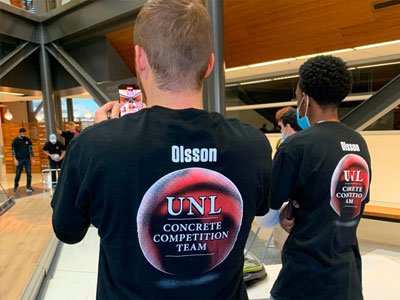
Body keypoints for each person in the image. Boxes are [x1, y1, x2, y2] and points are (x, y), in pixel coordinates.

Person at [51, 1, 272, 299]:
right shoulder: (253, 146)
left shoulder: (93, 147)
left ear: (139, 59)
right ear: (209, 64)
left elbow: (68, 230)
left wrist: (104, 136)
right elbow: (260, 210)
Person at [265, 55, 371, 300]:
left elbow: (270, 210)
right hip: (346, 280)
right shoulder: (359, 143)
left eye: (297, 93)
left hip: (304, 280)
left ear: (305, 97)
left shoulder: (296, 146)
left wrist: (283, 212)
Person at [11, 127, 35, 192]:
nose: (24, 134)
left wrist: (32, 159)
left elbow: (31, 150)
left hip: (27, 159)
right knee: (18, 173)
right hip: (19, 160)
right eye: (22, 133)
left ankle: (29, 186)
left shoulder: (27, 140)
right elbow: (13, 151)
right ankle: (16, 185)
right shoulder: (15, 140)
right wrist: (14, 159)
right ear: (20, 133)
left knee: (29, 173)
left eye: (24, 133)